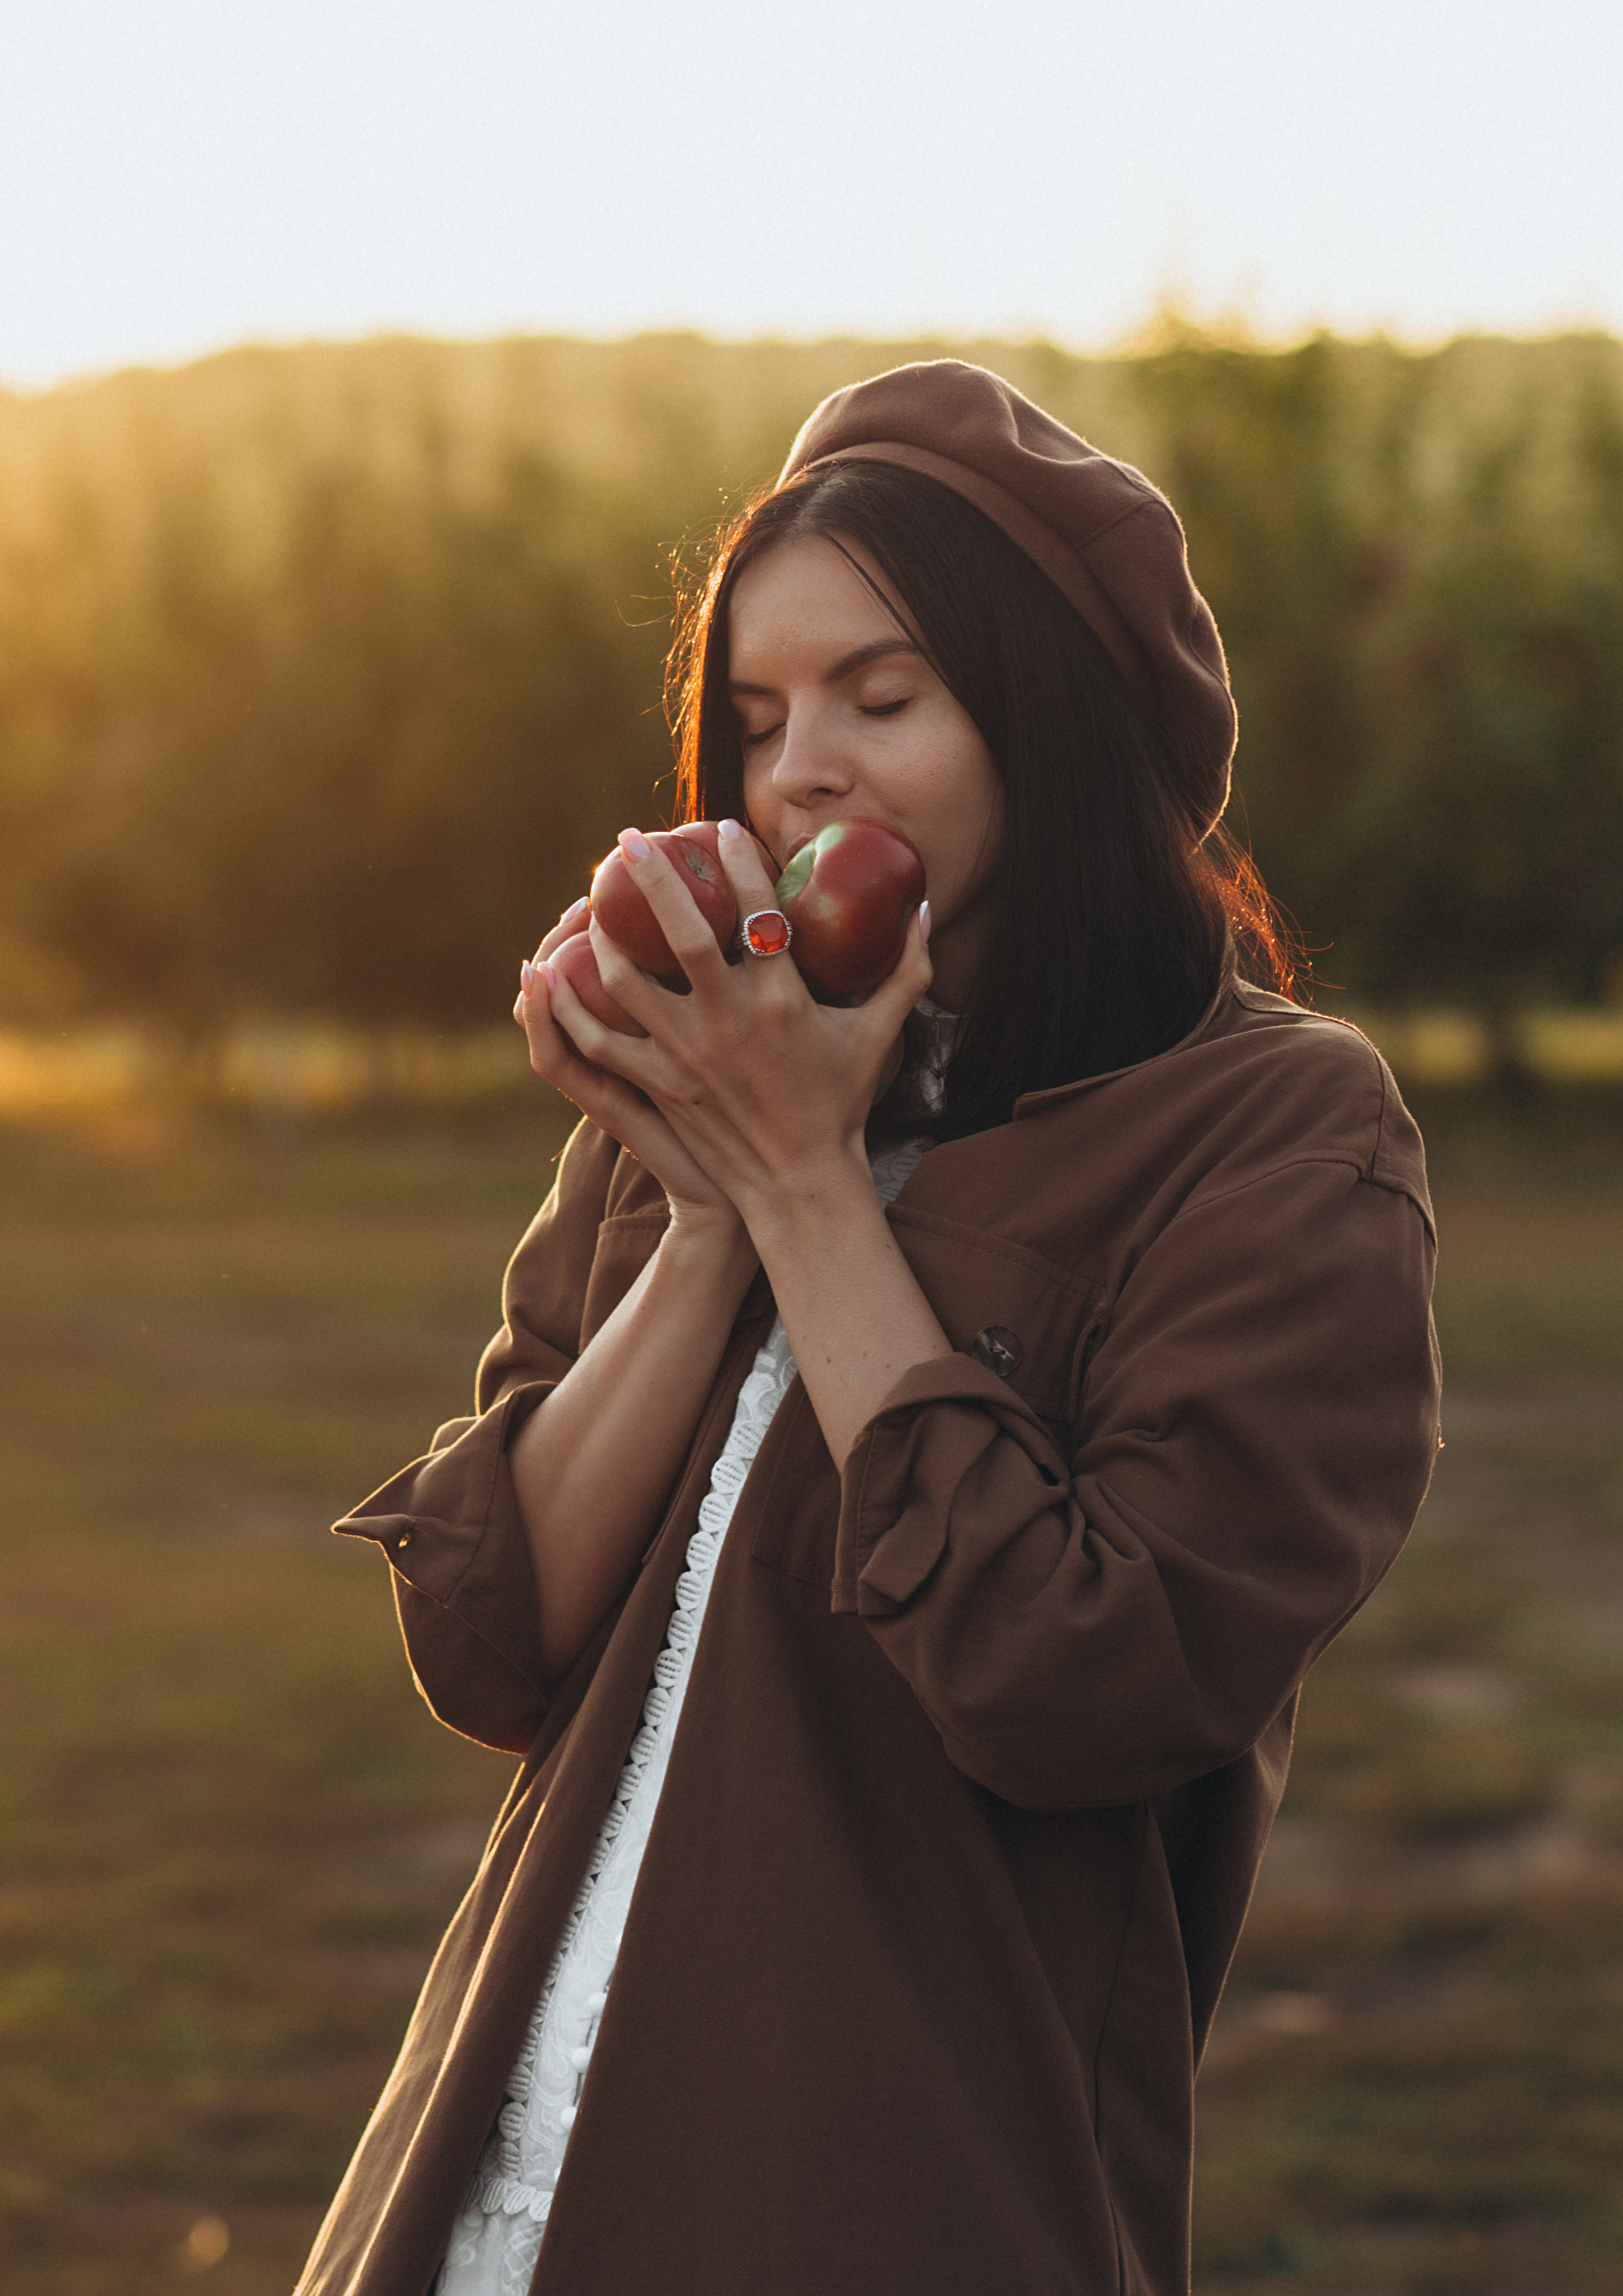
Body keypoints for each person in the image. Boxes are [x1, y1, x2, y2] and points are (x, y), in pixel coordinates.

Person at [295, 362, 1441, 2296]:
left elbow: (1072, 1683)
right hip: (500, 2191)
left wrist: (813, 1191)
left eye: (881, 697)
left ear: (1048, 720)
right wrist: (731, 1188)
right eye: (756, 721)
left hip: (892, 2200)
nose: (798, 772)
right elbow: (488, 1641)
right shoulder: (729, 1061)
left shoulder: (1278, 1142)